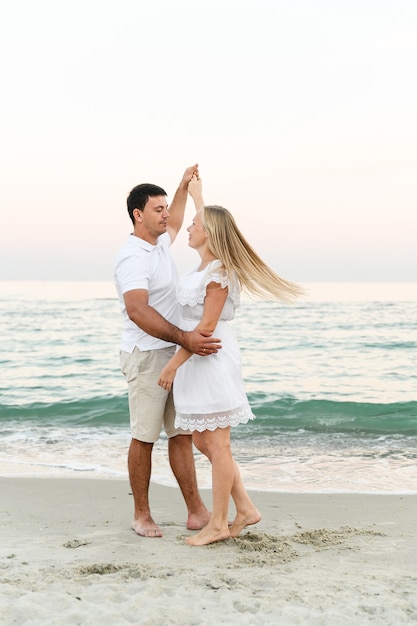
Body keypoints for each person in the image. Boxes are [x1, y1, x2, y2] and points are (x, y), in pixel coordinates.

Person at [158, 175, 304, 546]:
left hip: (210, 360)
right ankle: (246, 509)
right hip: (197, 362)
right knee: (204, 444)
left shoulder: (220, 273)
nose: (189, 227)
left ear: (208, 233)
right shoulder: (204, 268)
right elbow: (209, 218)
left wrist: (172, 364)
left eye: (194, 224)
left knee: (218, 446)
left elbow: (205, 328)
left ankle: (219, 522)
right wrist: (196, 195)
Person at [114, 164, 222, 538]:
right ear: (137, 215)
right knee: (144, 437)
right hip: (147, 355)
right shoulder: (133, 257)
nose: (167, 216)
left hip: (174, 353)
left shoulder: (159, 242)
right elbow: (137, 310)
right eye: (157, 210)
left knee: (180, 434)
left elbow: (176, 217)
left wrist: (181, 187)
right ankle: (141, 515)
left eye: (165, 209)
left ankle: (195, 511)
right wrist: (185, 338)